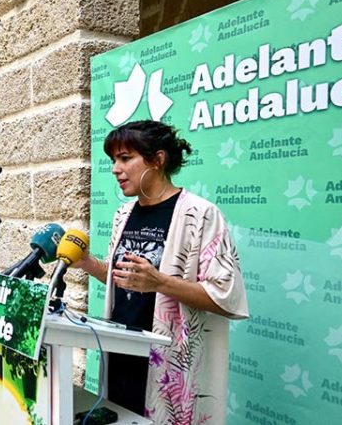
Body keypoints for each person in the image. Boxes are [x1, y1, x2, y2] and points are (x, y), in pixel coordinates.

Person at [74, 120, 249, 424]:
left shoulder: (201, 214)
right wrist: (88, 263)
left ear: (158, 160)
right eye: (113, 160)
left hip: (169, 364)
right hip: (120, 355)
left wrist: (160, 282)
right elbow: (125, 280)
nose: (116, 168)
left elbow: (225, 295)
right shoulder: (123, 214)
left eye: (126, 158)